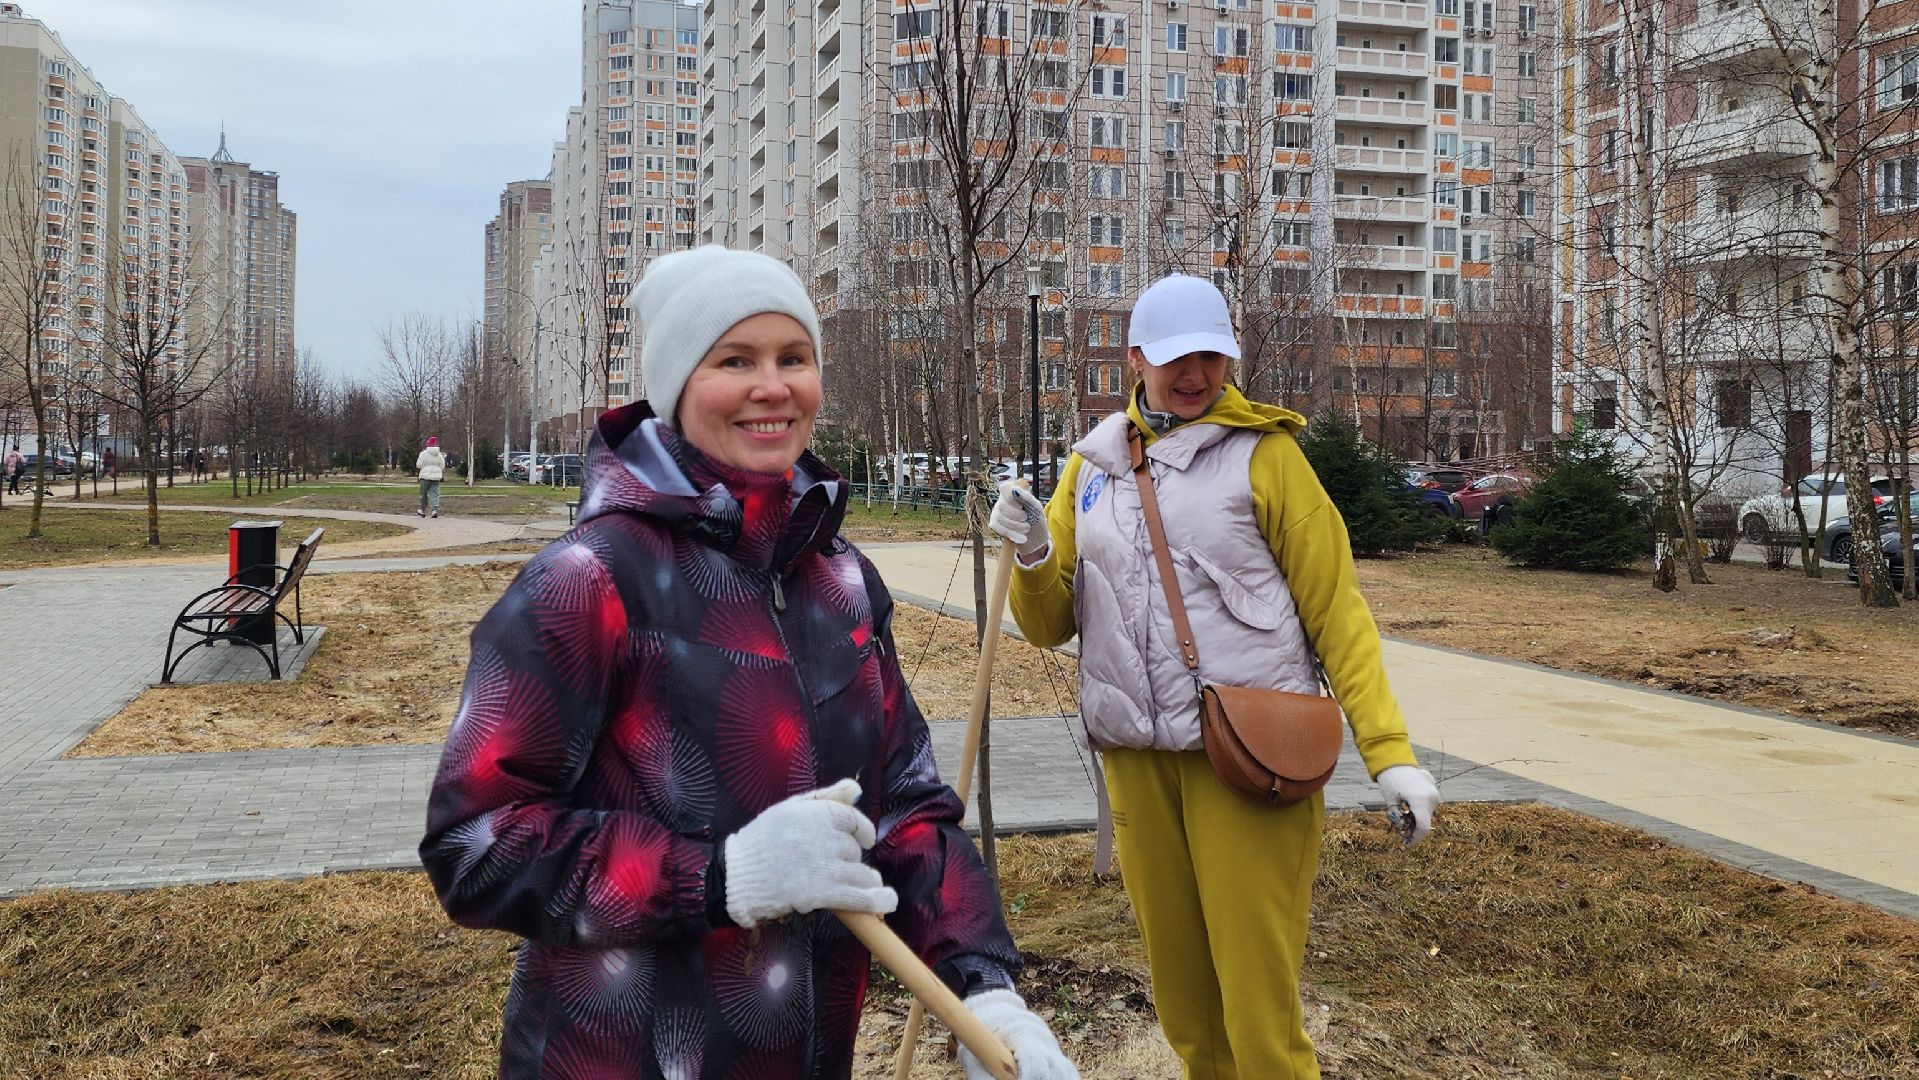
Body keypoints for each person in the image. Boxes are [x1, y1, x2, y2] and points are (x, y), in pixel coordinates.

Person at [421, 246, 1077, 1080]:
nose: (773, 387)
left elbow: (905, 808)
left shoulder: (840, 581)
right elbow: (476, 844)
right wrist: (720, 877)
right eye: (735, 360)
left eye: (792, 358)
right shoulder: (589, 580)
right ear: (677, 386)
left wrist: (983, 993)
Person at [988, 274, 1442, 1080]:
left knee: (1259, 1020)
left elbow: (1336, 612)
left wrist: (1389, 752)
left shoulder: (1267, 458)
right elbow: (1048, 622)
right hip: (1136, 762)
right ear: (1134, 358)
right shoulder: (1089, 468)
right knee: (1188, 1013)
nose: (1194, 374)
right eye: (1174, 358)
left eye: (1210, 355)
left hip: (1248, 759)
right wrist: (1029, 554)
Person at [414, 436, 446, 518]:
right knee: (435, 494)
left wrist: (424, 468)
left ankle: (422, 510)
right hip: (436, 477)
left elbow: (419, 465)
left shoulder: (423, 454)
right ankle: (434, 510)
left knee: (424, 494)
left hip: (425, 476)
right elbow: (442, 465)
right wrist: (437, 471)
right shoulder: (439, 454)